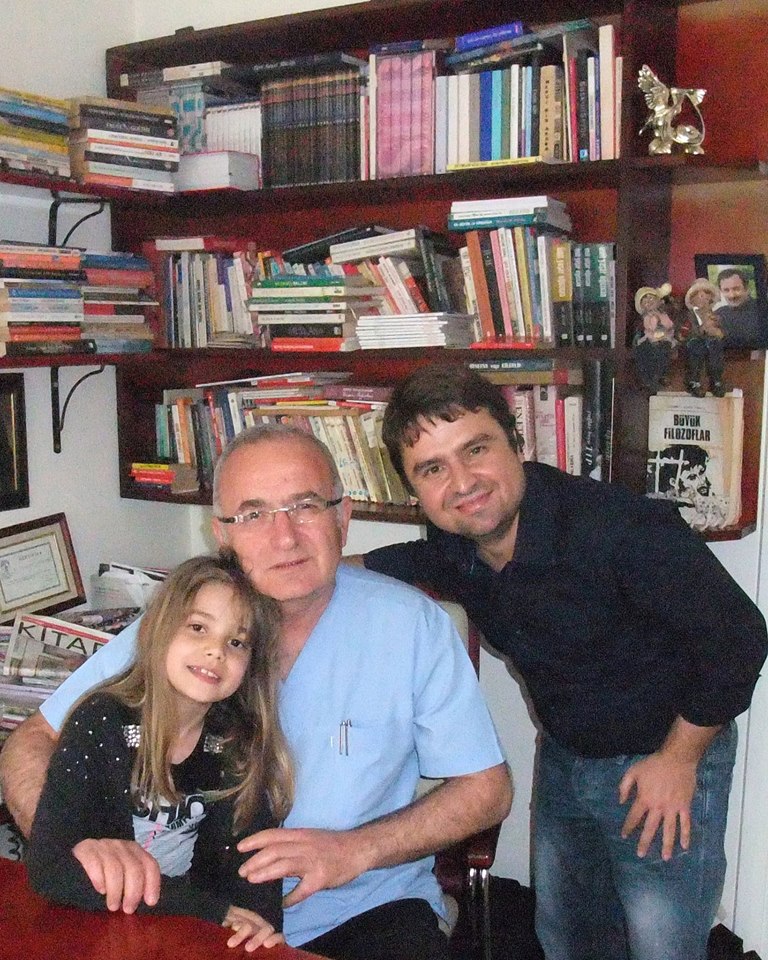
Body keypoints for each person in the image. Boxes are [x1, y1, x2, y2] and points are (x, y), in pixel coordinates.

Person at [0, 423, 511, 960]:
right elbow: (31, 742)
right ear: (221, 536)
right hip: (194, 911)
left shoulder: (412, 625)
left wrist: (355, 850)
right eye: (253, 514)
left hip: (364, 905)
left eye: (305, 506)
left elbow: (488, 789)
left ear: (342, 517)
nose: (284, 537)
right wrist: (79, 847)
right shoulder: (180, 629)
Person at [356, 363, 767, 960]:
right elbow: (405, 562)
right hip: (567, 759)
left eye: (476, 449)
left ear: (515, 442)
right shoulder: (457, 544)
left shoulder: (619, 528)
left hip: (666, 758)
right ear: (414, 489)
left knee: (662, 947)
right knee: (569, 940)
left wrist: (679, 759)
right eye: (433, 468)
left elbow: (738, 636)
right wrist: (305, 569)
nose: (463, 481)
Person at [25, 550, 290, 953]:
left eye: (236, 642)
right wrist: (205, 909)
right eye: (198, 628)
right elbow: (49, 867)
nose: (216, 651)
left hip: (185, 938)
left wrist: (259, 932)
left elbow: (254, 875)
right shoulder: (100, 721)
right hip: (97, 933)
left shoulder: (237, 743)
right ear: (158, 630)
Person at [680, 278, 726, 397]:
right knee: (696, 346)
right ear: (692, 299)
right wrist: (702, 329)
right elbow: (683, 333)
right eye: (698, 294)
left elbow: (723, 333)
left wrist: (718, 332)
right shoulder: (688, 316)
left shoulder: (715, 317)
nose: (702, 296)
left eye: (706, 293)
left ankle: (716, 381)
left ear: (710, 298)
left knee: (715, 346)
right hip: (693, 343)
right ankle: (693, 381)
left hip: (710, 343)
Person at [715, 268, 766, 347]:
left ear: (746, 288)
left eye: (736, 289)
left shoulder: (763, 309)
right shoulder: (718, 314)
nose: (732, 295)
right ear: (720, 291)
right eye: (726, 290)